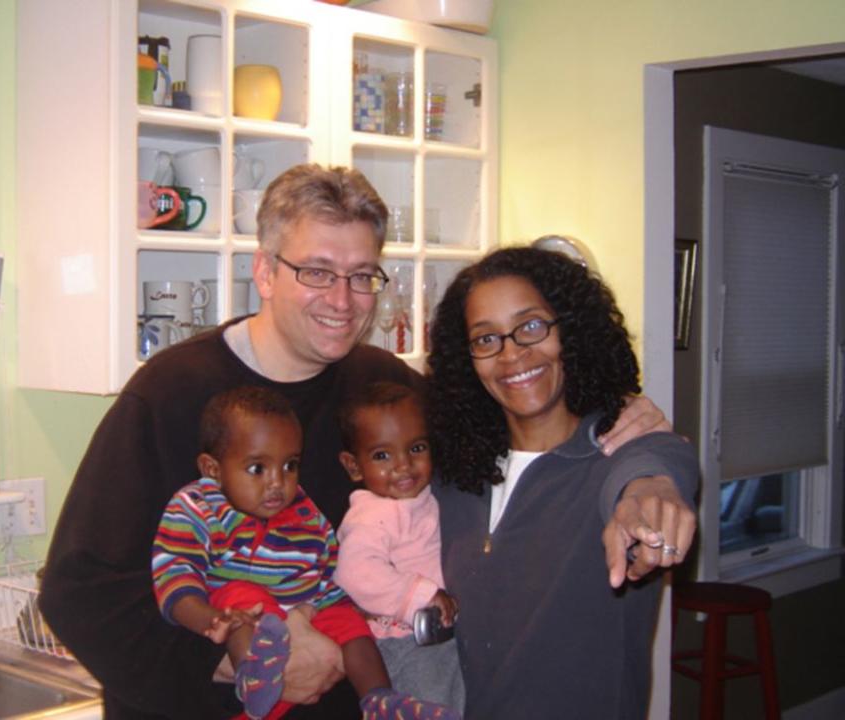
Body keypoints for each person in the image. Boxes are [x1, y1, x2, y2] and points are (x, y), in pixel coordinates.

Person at [39, 162, 676, 720]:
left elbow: (522, 422)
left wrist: (634, 432)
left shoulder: (387, 390)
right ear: (264, 271)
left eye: (363, 275)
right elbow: (80, 591)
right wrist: (233, 667)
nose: (343, 301)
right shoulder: (170, 394)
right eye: (317, 272)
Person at [426, 246, 699, 719]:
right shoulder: (452, 476)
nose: (512, 354)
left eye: (531, 326)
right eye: (486, 339)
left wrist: (649, 498)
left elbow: (657, 466)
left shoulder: (621, 451)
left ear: (569, 330)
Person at [151, 386, 460, 720]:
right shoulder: (197, 507)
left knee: (351, 623)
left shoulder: (303, 510)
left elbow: (328, 570)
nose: (276, 483)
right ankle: (252, 681)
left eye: (290, 465)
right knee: (242, 598)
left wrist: (339, 609)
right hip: (243, 616)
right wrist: (209, 619)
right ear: (212, 469)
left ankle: (377, 699)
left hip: (305, 613)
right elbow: (174, 573)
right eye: (258, 469)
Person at [334, 381, 464, 713]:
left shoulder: (424, 497)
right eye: (382, 455)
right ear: (353, 466)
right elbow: (355, 572)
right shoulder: (373, 513)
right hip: (406, 643)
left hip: (442, 638)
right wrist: (422, 594)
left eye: (416, 448)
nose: (403, 465)